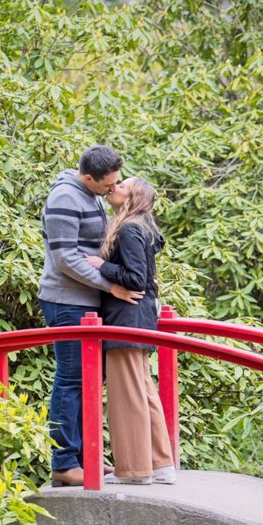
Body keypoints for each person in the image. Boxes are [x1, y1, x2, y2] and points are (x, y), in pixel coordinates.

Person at [38, 145, 144, 487]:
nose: (113, 189)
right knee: (70, 381)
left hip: (88, 304)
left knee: (89, 381)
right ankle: (64, 464)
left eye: (116, 182)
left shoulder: (91, 194)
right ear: (88, 177)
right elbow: (65, 258)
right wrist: (110, 285)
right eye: (108, 185)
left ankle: (87, 457)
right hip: (66, 301)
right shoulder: (66, 199)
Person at [84, 177, 176, 485]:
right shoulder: (142, 227)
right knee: (143, 390)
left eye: (122, 185)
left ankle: (134, 470)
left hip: (126, 317)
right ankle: (160, 464)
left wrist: (101, 265)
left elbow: (136, 279)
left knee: (127, 396)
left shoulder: (129, 229)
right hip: (139, 318)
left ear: (132, 197)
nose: (115, 187)